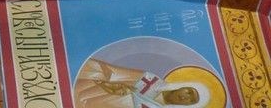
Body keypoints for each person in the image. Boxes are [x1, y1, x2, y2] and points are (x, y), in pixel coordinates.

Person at [76, 58, 210, 108]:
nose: (186, 97)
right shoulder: (151, 81)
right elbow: (115, 73)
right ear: (184, 86)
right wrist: (114, 86)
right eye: (189, 92)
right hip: (93, 92)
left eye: (191, 101)